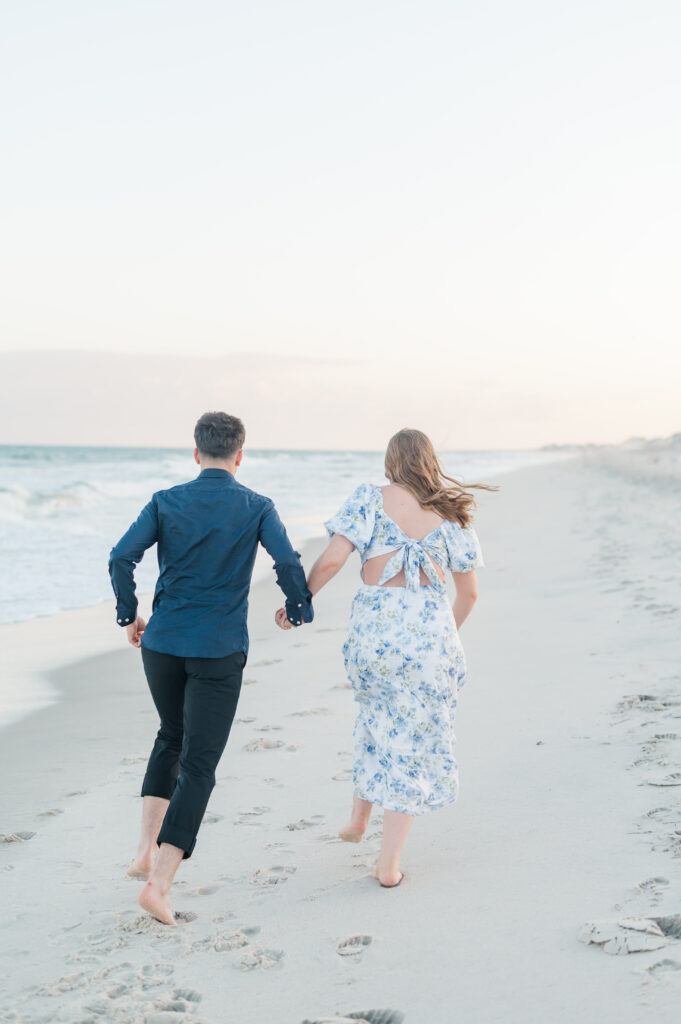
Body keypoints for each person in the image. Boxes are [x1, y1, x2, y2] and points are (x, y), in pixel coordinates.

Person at [109, 411, 313, 925]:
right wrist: (298, 606)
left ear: (196, 453)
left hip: (162, 644)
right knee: (198, 764)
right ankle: (158, 883)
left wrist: (127, 613)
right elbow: (287, 563)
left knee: (170, 736)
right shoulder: (257, 506)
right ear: (240, 456)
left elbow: (120, 557)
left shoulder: (165, 500)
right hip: (218, 648)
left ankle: (142, 851)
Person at [277, 428, 494, 887]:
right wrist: (436, 639)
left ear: (391, 461)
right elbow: (469, 594)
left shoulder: (369, 498)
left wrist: (301, 603)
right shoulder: (454, 515)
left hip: (373, 635)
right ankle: (388, 864)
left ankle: (358, 820)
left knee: (377, 714)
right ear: (430, 461)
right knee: (412, 742)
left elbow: (334, 559)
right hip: (429, 639)